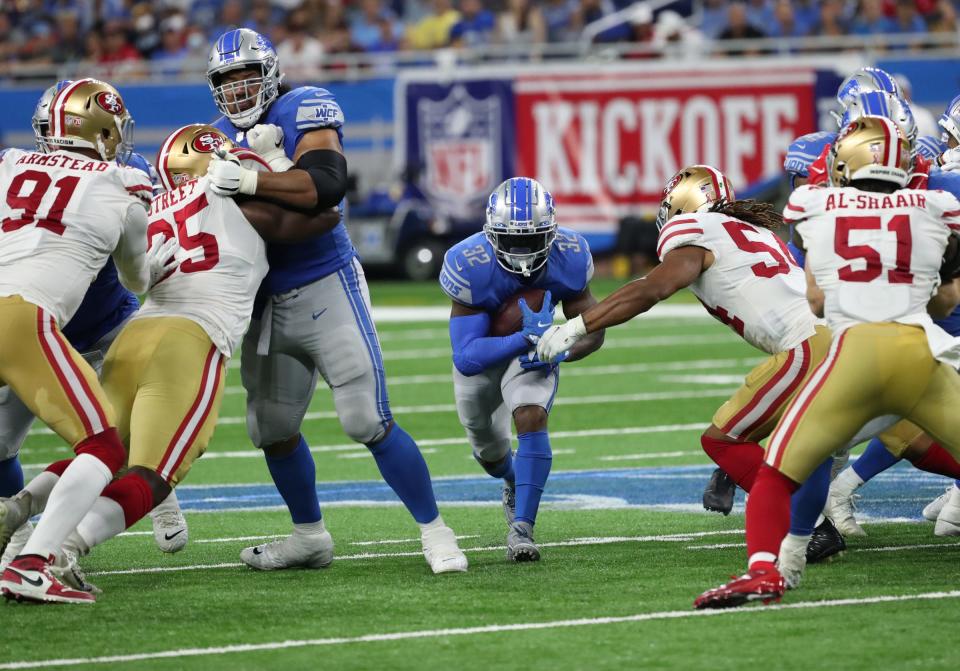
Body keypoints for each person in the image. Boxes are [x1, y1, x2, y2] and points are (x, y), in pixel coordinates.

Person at [204, 28, 467, 574]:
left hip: (325, 282)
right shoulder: (211, 140)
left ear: (271, 73)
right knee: (271, 430)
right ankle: (309, 538)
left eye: (247, 76)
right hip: (263, 300)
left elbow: (325, 187)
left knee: (366, 419)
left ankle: (437, 531)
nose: (237, 89)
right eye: (226, 80)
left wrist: (249, 183)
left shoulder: (304, 105)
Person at [46, 125, 341, 593]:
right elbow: (323, 215)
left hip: (132, 336)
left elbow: (134, 277)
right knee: (154, 476)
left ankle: (22, 516)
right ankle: (65, 548)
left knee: (100, 454)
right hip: (190, 338)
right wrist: (275, 166)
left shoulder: (156, 205)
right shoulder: (236, 194)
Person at [694, 116, 960, 608]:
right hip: (918, 355)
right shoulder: (934, 206)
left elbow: (815, 301)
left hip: (853, 356)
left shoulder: (815, 207)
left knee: (779, 469)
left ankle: (767, 572)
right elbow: (946, 302)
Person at [0, 80, 188, 573]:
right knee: (102, 441)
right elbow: (138, 273)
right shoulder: (121, 182)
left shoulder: (11, 162)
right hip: (37, 324)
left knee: (132, 427)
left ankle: (151, 499)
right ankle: (30, 546)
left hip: (100, 321)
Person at [440, 177, 603, 561]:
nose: (523, 250)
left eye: (533, 239)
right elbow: (466, 356)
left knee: (531, 415)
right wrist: (527, 338)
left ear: (552, 231)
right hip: (488, 353)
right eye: (513, 239)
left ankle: (523, 529)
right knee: (490, 452)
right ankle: (512, 479)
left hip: (533, 353)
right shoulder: (469, 262)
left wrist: (559, 350)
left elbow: (594, 332)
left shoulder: (572, 254)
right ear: (491, 232)